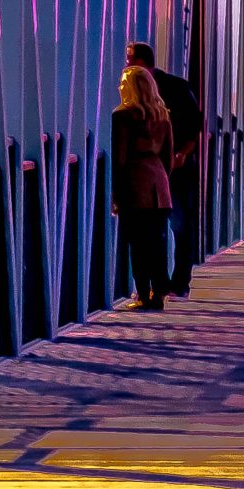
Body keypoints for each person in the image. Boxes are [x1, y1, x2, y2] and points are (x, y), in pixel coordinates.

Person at [126, 42, 203, 298]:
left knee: (179, 225)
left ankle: (179, 281)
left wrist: (182, 153)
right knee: (155, 228)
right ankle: (156, 286)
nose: (126, 65)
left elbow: (194, 124)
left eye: (130, 59)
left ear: (143, 62)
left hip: (176, 169)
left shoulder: (176, 87)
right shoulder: (132, 91)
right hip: (151, 171)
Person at [112, 66, 174, 310]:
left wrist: (116, 194)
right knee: (157, 243)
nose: (119, 86)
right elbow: (168, 157)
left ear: (131, 87)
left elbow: (120, 158)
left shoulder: (123, 115)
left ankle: (142, 295)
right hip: (159, 185)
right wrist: (161, 180)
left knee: (137, 243)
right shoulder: (162, 115)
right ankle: (159, 292)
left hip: (135, 185)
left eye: (123, 82)